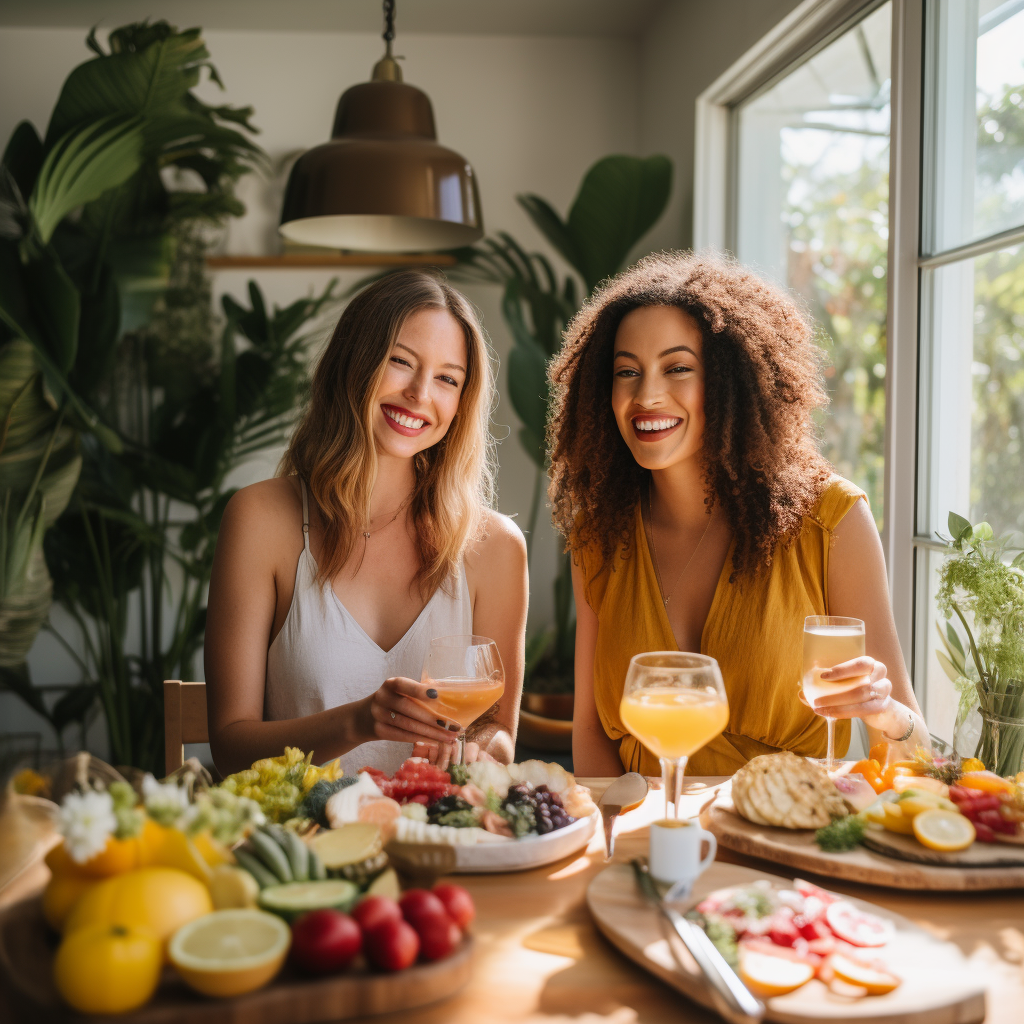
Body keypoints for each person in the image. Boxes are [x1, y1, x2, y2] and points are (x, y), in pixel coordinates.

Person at [547, 252, 928, 778]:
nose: (646, 394)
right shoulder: (600, 536)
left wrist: (884, 712)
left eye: (677, 368)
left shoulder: (831, 521)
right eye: (627, 372)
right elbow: (590, 731)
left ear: (732, 382)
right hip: (645, 841)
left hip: (784, 839)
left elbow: (918, 755)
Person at [206, 270, 528, 777]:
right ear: (352, 364)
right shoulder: (261, 520)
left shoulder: (495, 548)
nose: (421, 393)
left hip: (439, 843)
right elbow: (229, 747)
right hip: (303, 846)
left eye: (448, 378)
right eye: (400, 361)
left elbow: (497, 731)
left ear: (461, 404)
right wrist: (357, 723)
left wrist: (479, 750)